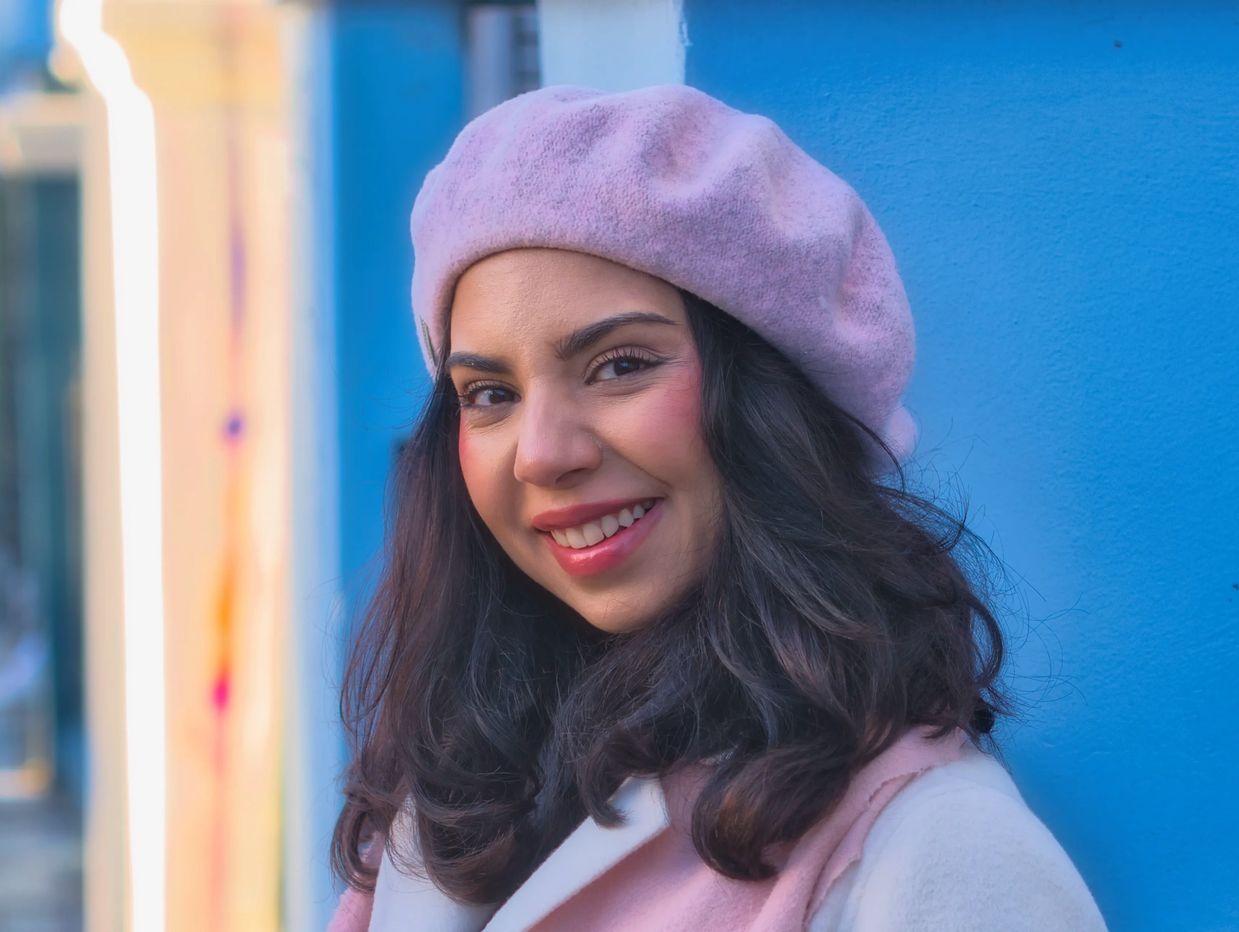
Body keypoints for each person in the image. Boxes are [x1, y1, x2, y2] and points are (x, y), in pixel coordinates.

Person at [327, 84, 1106, 931]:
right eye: (489, 393)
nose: (543, 453)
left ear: (772, 406)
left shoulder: (937, 853)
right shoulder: (450, 814)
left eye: (620, 365)